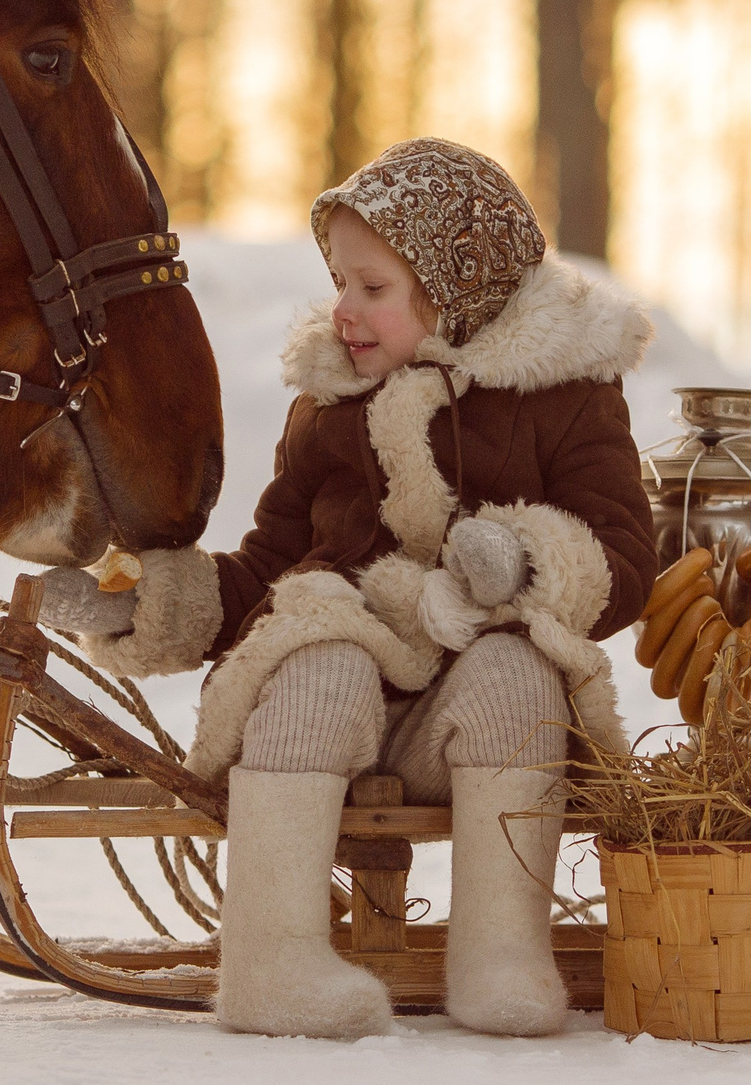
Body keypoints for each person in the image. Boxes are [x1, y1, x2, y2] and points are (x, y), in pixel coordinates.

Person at [41, 137, 656, 1038]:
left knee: (519, 674)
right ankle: (271, 962)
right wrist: (150, 602)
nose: (345, 311)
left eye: (373, 289)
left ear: (457, 286)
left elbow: (623, 555)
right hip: (333, 704)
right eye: (340, 282)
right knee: (314, 649)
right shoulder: (330, 410)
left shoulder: (564, 399)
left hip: (454, 720)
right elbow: (263, 569)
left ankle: (500, 953)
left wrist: (523, 558)